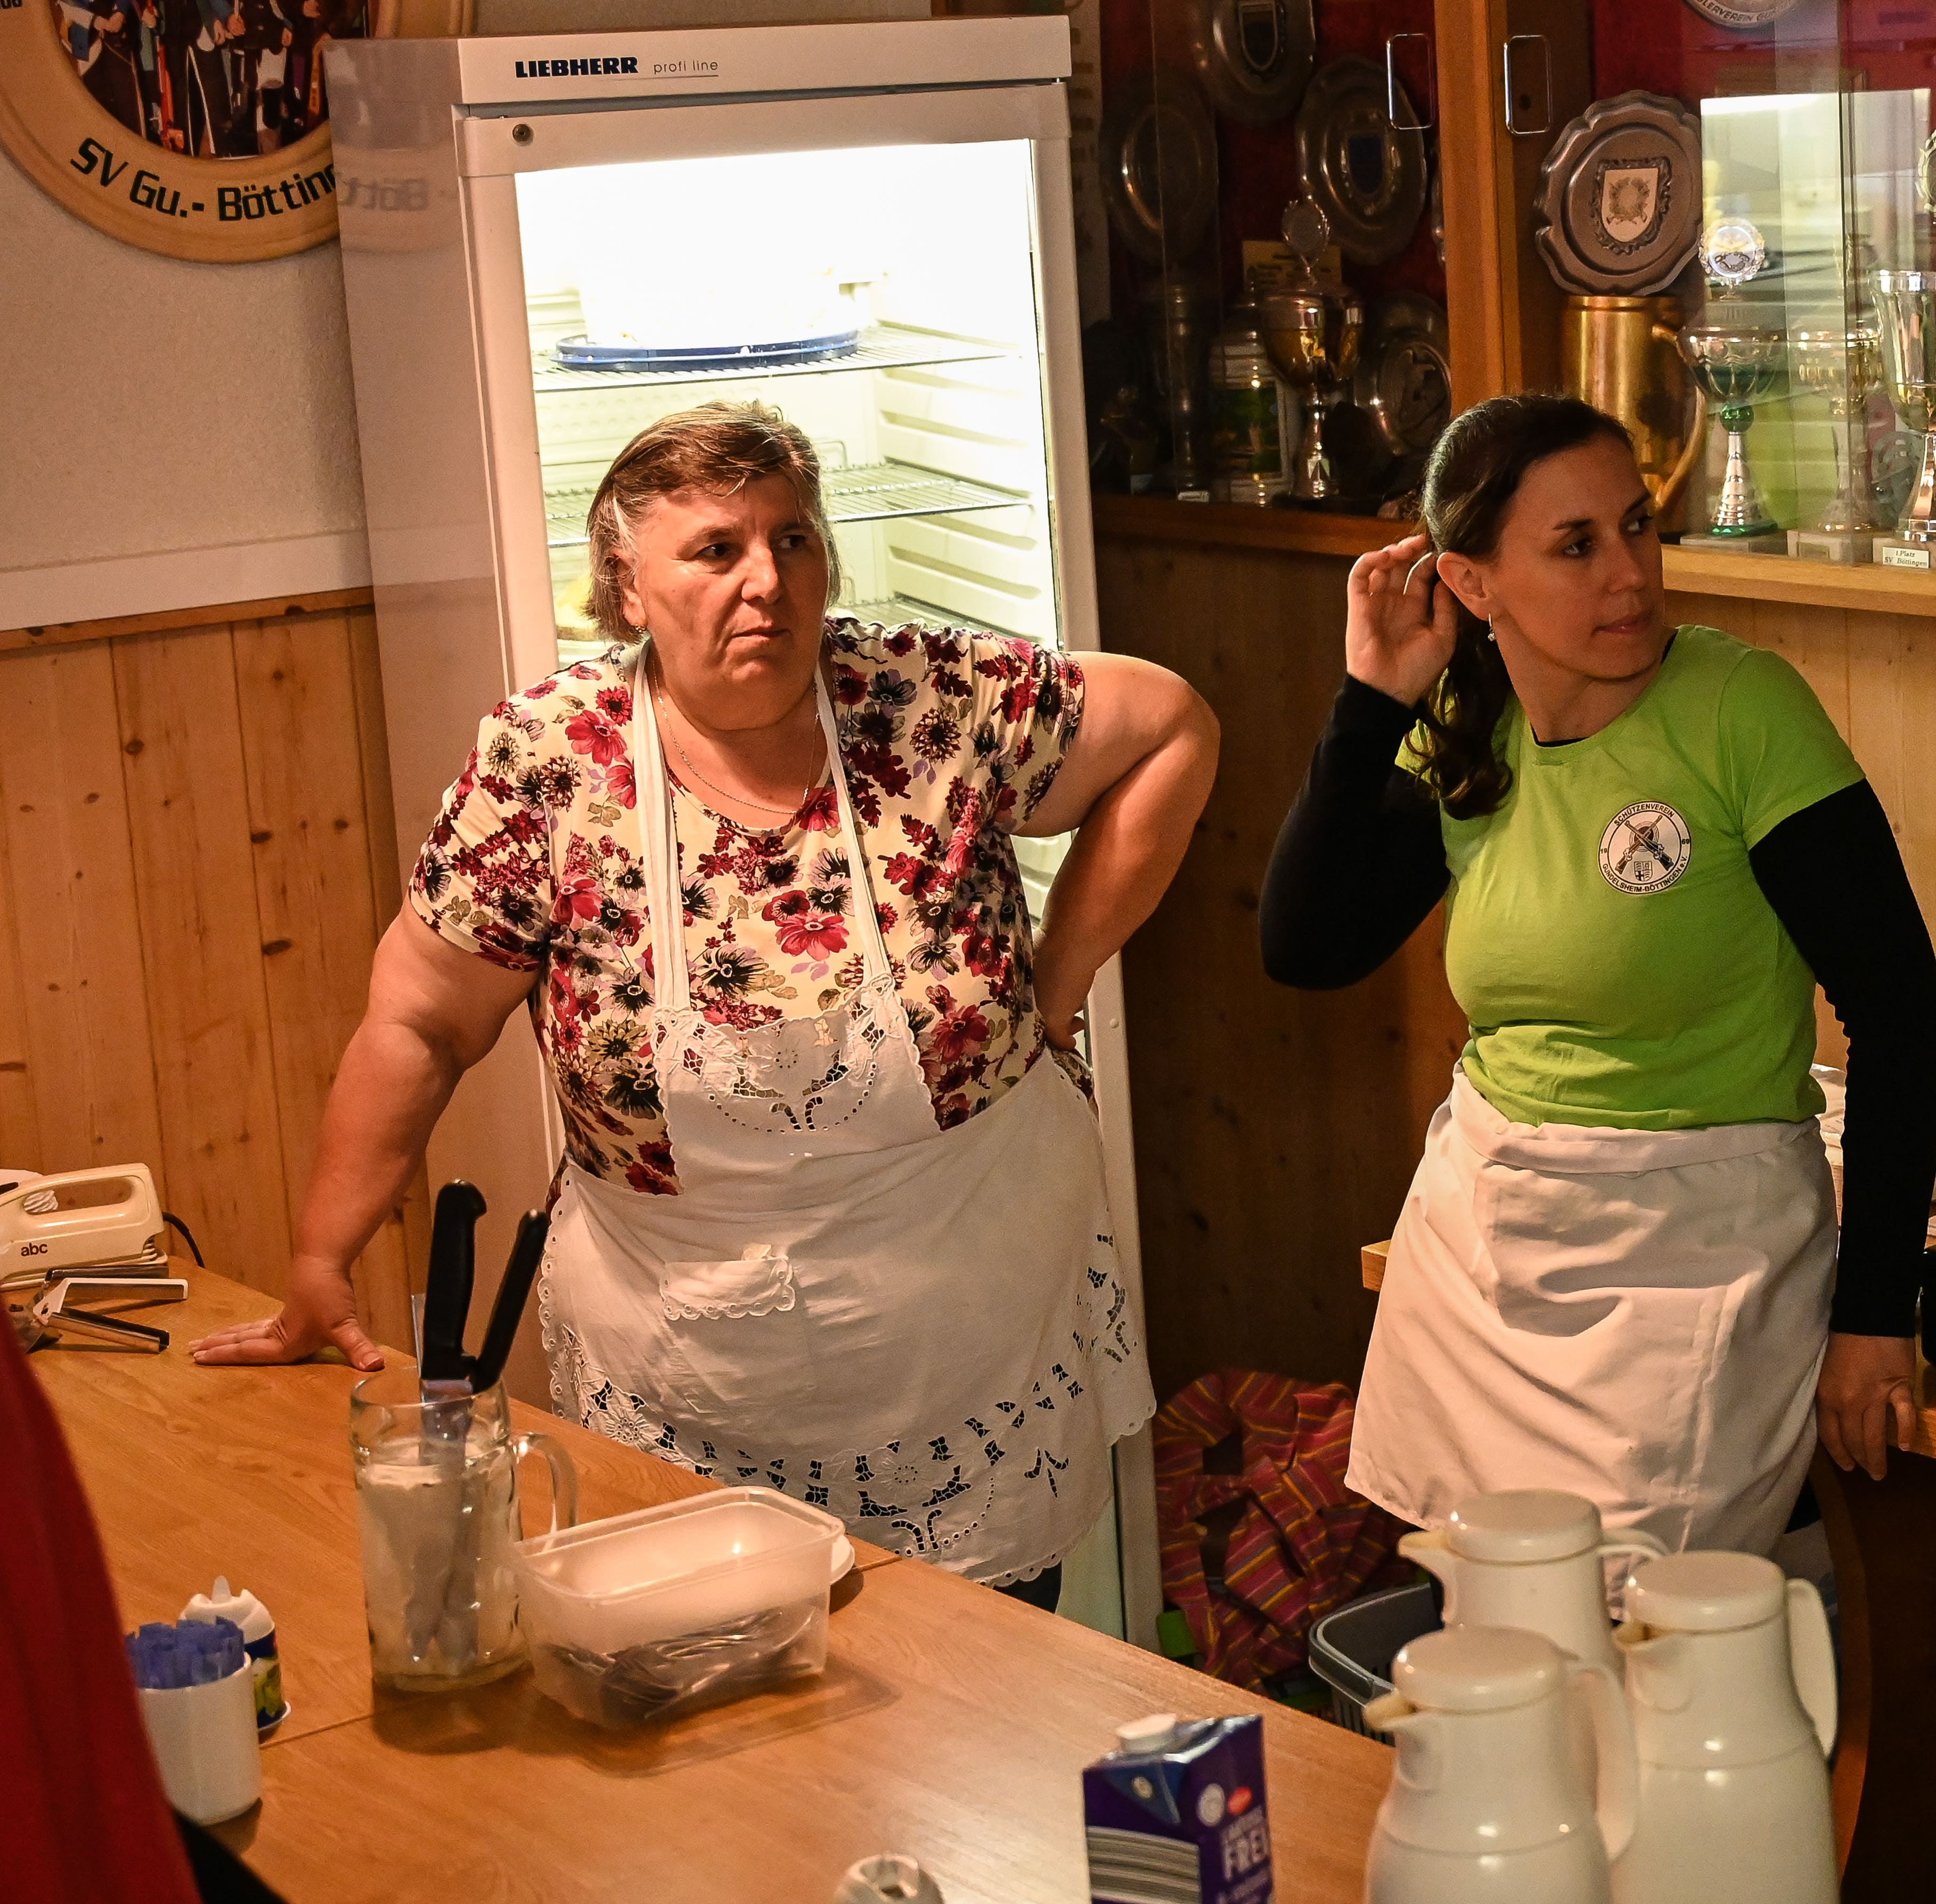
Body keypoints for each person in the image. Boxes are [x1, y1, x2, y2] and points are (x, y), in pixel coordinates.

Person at [195, 403, 1219, 1606]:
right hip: (690, 1371)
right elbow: (420, 1021)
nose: (766, 580)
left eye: (793, 539)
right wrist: (323, 1253)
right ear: (627, 586)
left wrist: (1059, 980)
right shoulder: (550, 762)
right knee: (715, 1686)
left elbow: (1173, 727)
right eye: (717, 549)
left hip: (972, 1345)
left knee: (975, 1686)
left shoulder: (926, 696)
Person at [1259, 393, 1936, 1554]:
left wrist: (1877, 1313)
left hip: (1702, 1255)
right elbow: (1307, 946)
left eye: (1636, 525)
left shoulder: (1741, 709)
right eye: (1575, 546)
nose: (1629, 573)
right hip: (1482, 1244)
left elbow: (1894, 1009)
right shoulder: (1465, 723)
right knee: (1480, 1627)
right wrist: (1371, 702)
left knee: (1640, 1627)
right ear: (1471, 583)